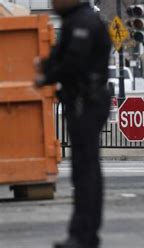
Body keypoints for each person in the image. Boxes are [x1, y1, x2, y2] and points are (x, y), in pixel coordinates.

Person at [34, 0, 111, 247]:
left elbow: (73, 62)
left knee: (86, 170)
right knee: (83, 170)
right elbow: (60, 56)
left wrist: (47, 76)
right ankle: (82, 234)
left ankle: (84, 235)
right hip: (80, 101)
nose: (52, 2)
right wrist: (46, 68)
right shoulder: (73, 20)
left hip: (87, 102)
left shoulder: (84, 21)